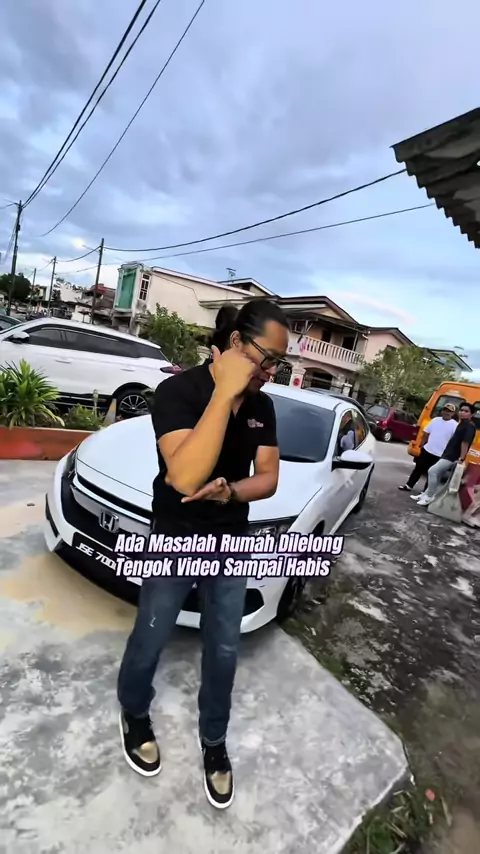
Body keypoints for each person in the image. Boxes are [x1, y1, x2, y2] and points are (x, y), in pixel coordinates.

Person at [117, 298, 290, 809]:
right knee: (152, 633)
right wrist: (224, 391)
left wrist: (232, 491)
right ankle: (134, 711)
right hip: (175, 535)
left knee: (224, 648)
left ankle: (214, 739)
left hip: (229, 542)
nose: (272, 372)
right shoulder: (179, 392)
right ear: (235, 343)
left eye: (279, 363)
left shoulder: (262, 407)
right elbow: (184, 477)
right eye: (267, 358)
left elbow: (268, 478)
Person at [415, 402, 477, 507]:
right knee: (438, 474)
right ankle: (425, 494)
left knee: (432, 471)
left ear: (471, 414)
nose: (462, 412)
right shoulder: (461, 424)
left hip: (452, 456)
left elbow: (465, 442)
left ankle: (429, 496)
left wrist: (461, 458)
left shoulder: (469, 426)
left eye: (466, 411)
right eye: (461, 410)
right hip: (447, 453)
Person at [398, 403, 457, 494]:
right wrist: (422, 445)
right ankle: (409, 485)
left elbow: (454, 441)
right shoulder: (435, 420)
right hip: (427, 450)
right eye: (445, 410)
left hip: (440, 454)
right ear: (442, 411)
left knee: (432, 473)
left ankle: (425, 492)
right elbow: (426, 433)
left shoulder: (454, 425)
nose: (446, 412)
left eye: (449, 411)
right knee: (418, 469)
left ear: (453, 413)